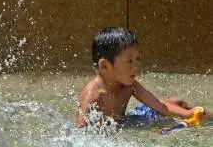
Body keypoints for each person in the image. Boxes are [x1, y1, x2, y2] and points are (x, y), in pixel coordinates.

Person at [76, 26, 210, 128]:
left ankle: (208, 117)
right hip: (118, 129)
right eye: (130, 61)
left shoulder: (129, 85)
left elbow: (160, 105)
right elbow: (81, 134)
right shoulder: (92, 97)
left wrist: (190, 114)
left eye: (137, 60)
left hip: (128, 122)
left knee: (177, 103)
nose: (136, 67)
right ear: (105, 66)